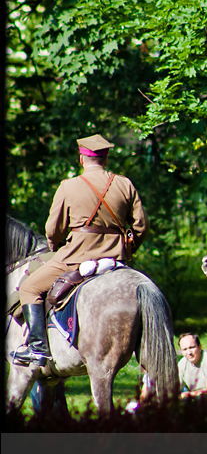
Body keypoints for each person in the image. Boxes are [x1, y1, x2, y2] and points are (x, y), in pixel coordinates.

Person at [13, 134, 149, 367]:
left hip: (76, 256)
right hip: (115, 257)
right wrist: (126, 250)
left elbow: (53, 229)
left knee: (29, 287)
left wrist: (55, 246)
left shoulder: (69, 186)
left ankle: (38, 350)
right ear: (105, 159)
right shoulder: (124, 184)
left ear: (81, 159)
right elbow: (141, 226)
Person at [178, 333, 207, 398]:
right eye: (185, 349)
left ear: (200, 347)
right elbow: (176, 387)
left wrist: (188, 394)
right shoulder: (182, 363)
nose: (189, 353)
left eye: (192, 347)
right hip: (193, 398)